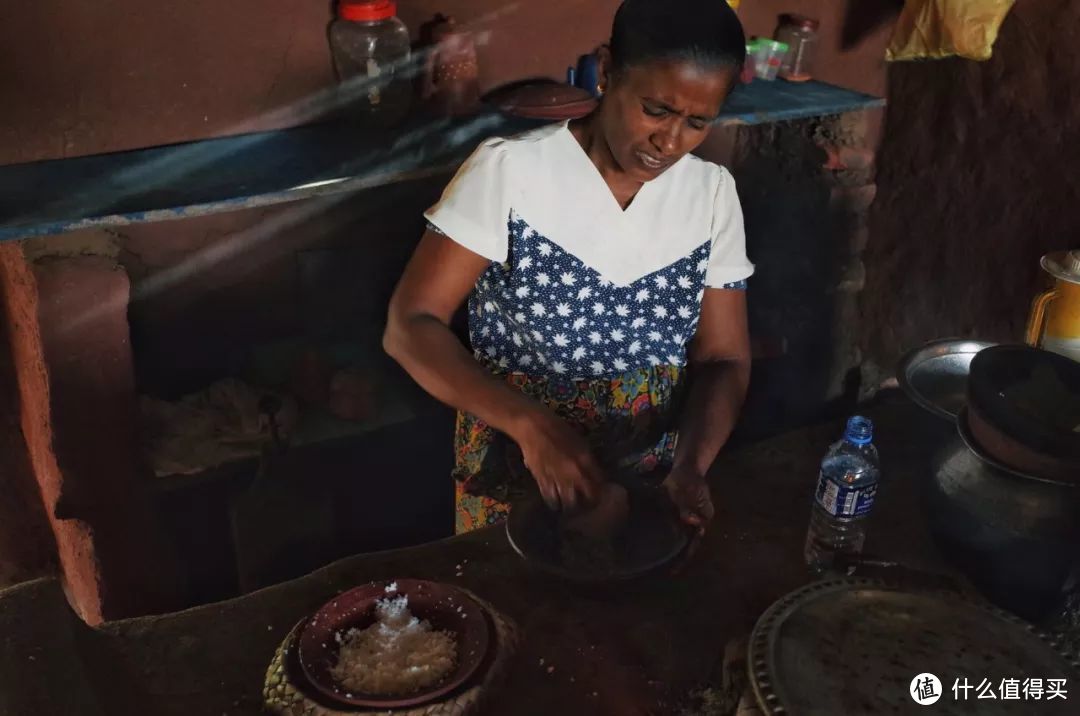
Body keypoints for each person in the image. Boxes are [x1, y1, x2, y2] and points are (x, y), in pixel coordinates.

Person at [384, 0, 753, 535]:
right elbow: (409, 327)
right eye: (655, 110)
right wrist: (533, 428)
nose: (669, 142)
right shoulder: (512, 171)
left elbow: (725, 357)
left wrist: (690, 468)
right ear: (606, 71)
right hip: (520, 470)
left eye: (698, 122)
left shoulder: (711, 193)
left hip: (650, 476)